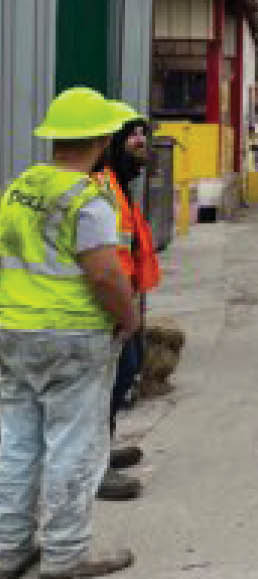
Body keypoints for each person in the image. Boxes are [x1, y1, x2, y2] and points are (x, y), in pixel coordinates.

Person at [0, 88, 139, 579]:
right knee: (73, 445)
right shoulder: (87, 199)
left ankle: (9, 549)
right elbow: (104, 274)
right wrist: (128, 317)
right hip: (71, 336)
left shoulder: (19, 188)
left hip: (12, 330)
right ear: (101, 139)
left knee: (16, 441)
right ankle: (64, 555)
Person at [90, 107, 160, 502]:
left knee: (123, 376)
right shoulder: (103, 186)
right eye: (132, 135)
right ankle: (94, 468)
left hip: (122, 301)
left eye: (143, 134)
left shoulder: (120, 183)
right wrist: (121, 310)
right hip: (107, 306)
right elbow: (105, 257)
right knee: (107, 384)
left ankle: (102, 453)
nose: (141, 141)